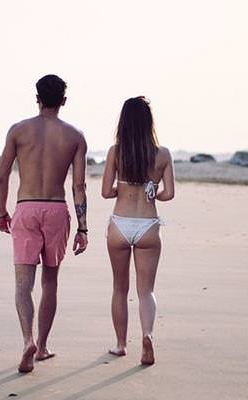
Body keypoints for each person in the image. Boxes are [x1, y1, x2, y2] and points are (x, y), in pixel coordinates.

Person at [0, 74, 89, 373]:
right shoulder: (75, 136)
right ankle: (43, 346)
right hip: (56, 209)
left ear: (37, 98)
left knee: (23, 284)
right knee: (50, 281)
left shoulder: (18, 131)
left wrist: (1, 212)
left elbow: (2, 176)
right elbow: (79, 186)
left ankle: (27, 340)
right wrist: (83, 227)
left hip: (26, 207)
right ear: (63, 100)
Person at [101, 96, 175, 365]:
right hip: (148, 226)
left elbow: (105, 191)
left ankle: (121, 345)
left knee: (120, 288)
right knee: (146, 291)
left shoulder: (115, 152)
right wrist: (152, 189)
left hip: (120, 224)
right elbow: (169, 195)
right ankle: (147, 335)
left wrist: (122, 188)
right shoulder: (162, 154)